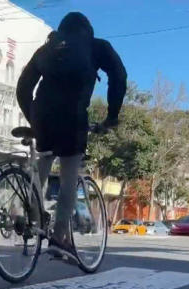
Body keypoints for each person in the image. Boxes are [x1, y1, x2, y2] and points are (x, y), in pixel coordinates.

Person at [16, 12, 127, 260]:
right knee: (68, 176)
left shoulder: (46, 49)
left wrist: (33, 120)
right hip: (72, 115)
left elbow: (23, 86)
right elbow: (119, 76)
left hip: (42, 114)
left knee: (43, 160)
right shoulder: (97, 46)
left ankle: (28, 214)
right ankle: (59, 237)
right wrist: (112, 116)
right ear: (87, 30)